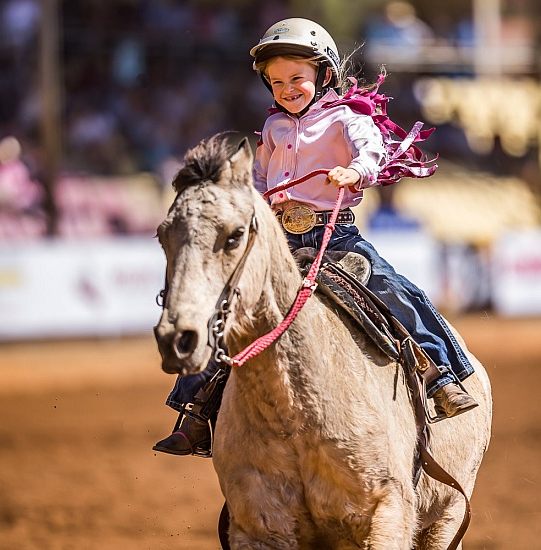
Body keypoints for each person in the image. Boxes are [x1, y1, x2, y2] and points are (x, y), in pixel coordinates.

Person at [153, 18, 478, 457]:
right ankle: (196, 410)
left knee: (393, 289)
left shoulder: (346, 118)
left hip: (334, 235)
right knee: (225, 308)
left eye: (297, 79)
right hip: (278, 241)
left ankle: (440, 375)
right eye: (277, 81)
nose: (287, 88)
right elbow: (261, 177)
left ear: (324, 76)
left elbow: (372, 150)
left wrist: (355, 170)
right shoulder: (272, 130)